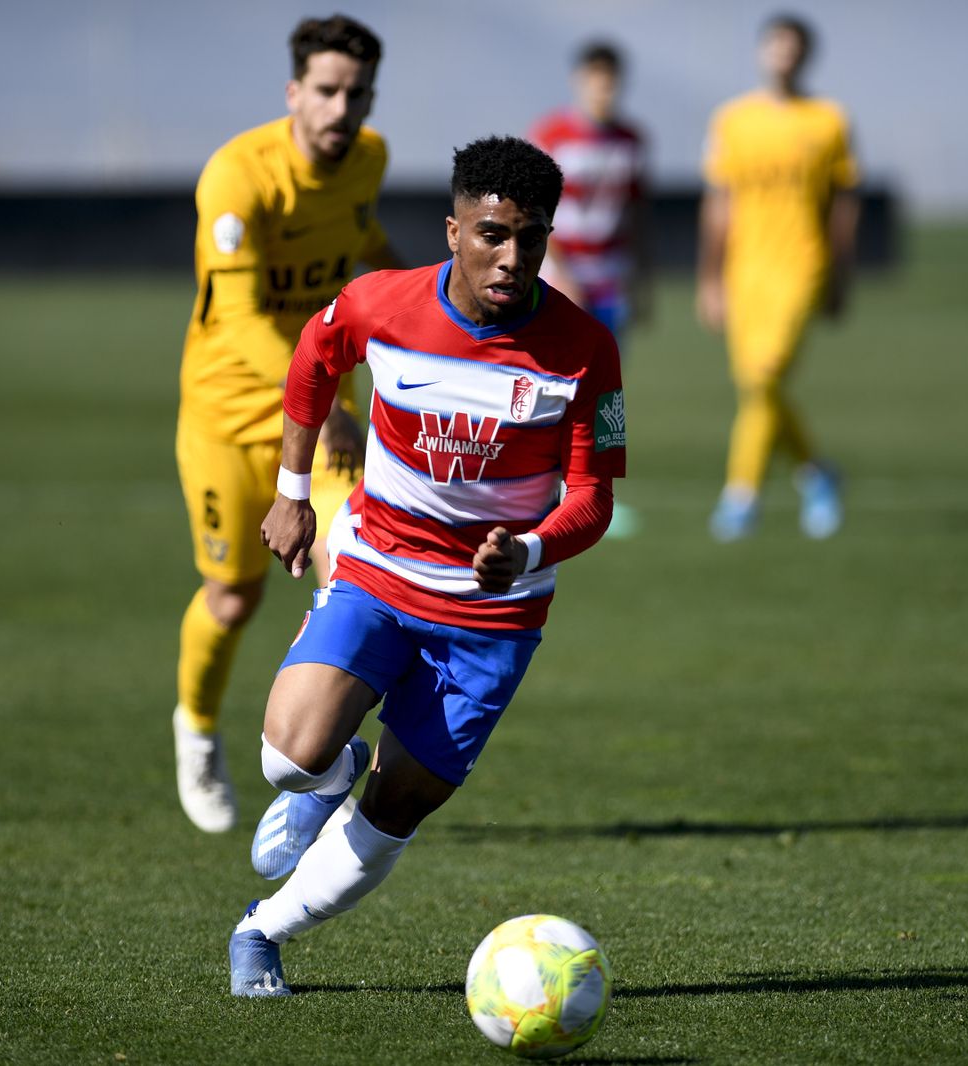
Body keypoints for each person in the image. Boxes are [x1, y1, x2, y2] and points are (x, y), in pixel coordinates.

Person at [227, 136, 626, 996]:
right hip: (379, 569)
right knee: (288, 760)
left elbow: (594, 498)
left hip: (493, 616)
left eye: (531, 237)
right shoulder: (379, 305)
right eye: (492, 233)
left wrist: (528, 549)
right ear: (453, 230)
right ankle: (320, 782)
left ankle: (261, 932)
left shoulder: (588, 351)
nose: (512, 257)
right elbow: (311, 358)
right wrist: (292, 491)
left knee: (399, 805)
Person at [172, 15, 404, 834]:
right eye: (328, 90)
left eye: (358, 93)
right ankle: (196, 731)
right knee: (232, 600)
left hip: (318, 425)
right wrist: (332, 400)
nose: (343, 108)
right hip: (228, 417)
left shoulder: (369, 159)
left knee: (356, 568)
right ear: (294, 92)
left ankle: (317, 768)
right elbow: (235, 320)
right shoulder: (239, 176)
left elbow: (364, 246)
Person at [698, 14, 860, 542]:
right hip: (747, 271)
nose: (784, 54)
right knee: (756, 385)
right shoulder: (733, 121)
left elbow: (842, 205)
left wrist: (840, 274)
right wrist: (710, 277)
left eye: (794, 46)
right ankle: (817, 472)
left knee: (765, 376)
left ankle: (741, 495)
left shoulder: (829, 120)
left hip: (802, 264)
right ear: (763, 52)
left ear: (806, 54)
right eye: (776, 44)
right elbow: (719, 203)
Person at [529, 41, 652, 538]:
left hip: (613, 280)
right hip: (563, 282)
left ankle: (597, 495)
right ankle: (542, 489)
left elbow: (638, 215)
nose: (604, 89)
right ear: (580, 81)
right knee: (550, 386)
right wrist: (563, 272)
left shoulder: (631, 141)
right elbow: (535, 211)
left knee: (604, 394)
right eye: (596, 79)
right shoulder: (552, 135)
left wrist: (642, 280)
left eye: (611, 80)